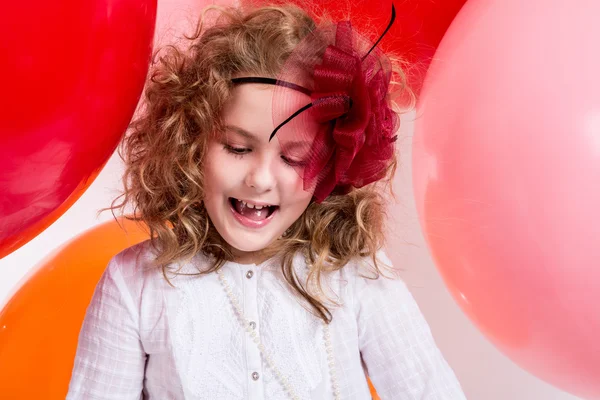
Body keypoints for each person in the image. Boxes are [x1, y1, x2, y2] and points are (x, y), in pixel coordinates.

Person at [66, 2, 466, 399]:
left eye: (294, 157)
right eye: (238, 148)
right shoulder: (135, 283)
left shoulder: (354, 274)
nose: (259, 179)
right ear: (191, 143)